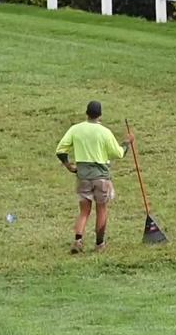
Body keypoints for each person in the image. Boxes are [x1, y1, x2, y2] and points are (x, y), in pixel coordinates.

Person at [55, 101, 134, 254]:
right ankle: (99, 244)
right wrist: (127, 143)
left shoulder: (75, 129)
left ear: (86, 113)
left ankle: (78, 240)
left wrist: (69, 165)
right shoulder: (104, 132)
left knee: (84, 211)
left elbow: (60, 150)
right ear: (100, 115)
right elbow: (118, 153)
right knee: (102, 209)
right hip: (101, 177)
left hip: (83, 176)